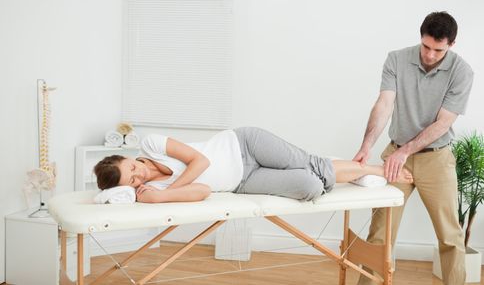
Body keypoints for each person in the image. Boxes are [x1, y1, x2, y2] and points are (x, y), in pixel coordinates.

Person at [353, 11, 473, 285]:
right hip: (396, 156)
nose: (430, 55)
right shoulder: (396, 59)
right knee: (380, 234)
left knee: (450, 237)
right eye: (426, 46)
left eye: (438, 50)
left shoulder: (462, 71)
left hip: (437, 159)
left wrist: (405, 151)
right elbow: (384, 104)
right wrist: (367, 145)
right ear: (421, 38)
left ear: (451, 45)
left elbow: (444, 122)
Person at [94, 127, 413, 203]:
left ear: (126, 158)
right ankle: (346, 172)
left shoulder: (150, 143)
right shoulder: (152, 191)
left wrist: (169, 188)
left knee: (313, 165)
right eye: (132, 181)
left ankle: (374, 171)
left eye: (132, 168)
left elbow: (200, 161)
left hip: (243, 143)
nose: (139, 174)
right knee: (311, 187)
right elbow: (203, 190)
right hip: (244, 181)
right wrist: (160, 196)